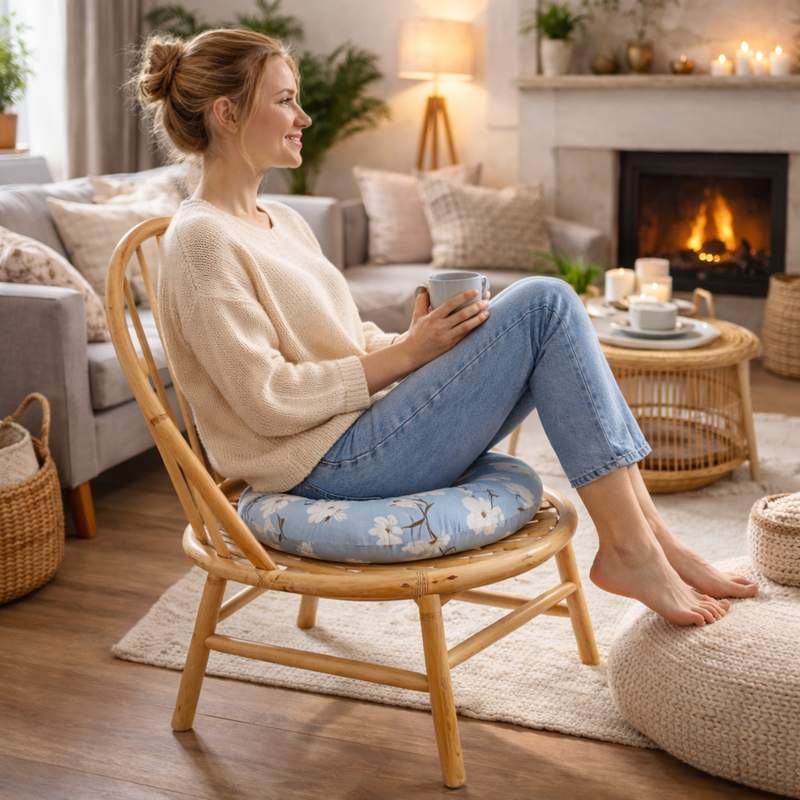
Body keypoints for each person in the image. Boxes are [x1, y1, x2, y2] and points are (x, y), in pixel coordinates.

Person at [135, 28, 758, 627]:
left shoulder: (282, 221)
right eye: (285, 100)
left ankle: (652, 542)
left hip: (359, 430)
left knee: (549, 309)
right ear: (226, 114)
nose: (304, 118)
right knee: (545, 303)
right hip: (321, 466)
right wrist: (408, 356)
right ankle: (637, 551)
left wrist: (423, 340)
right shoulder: (202, 242)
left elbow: (347, 343)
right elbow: (267, 401)